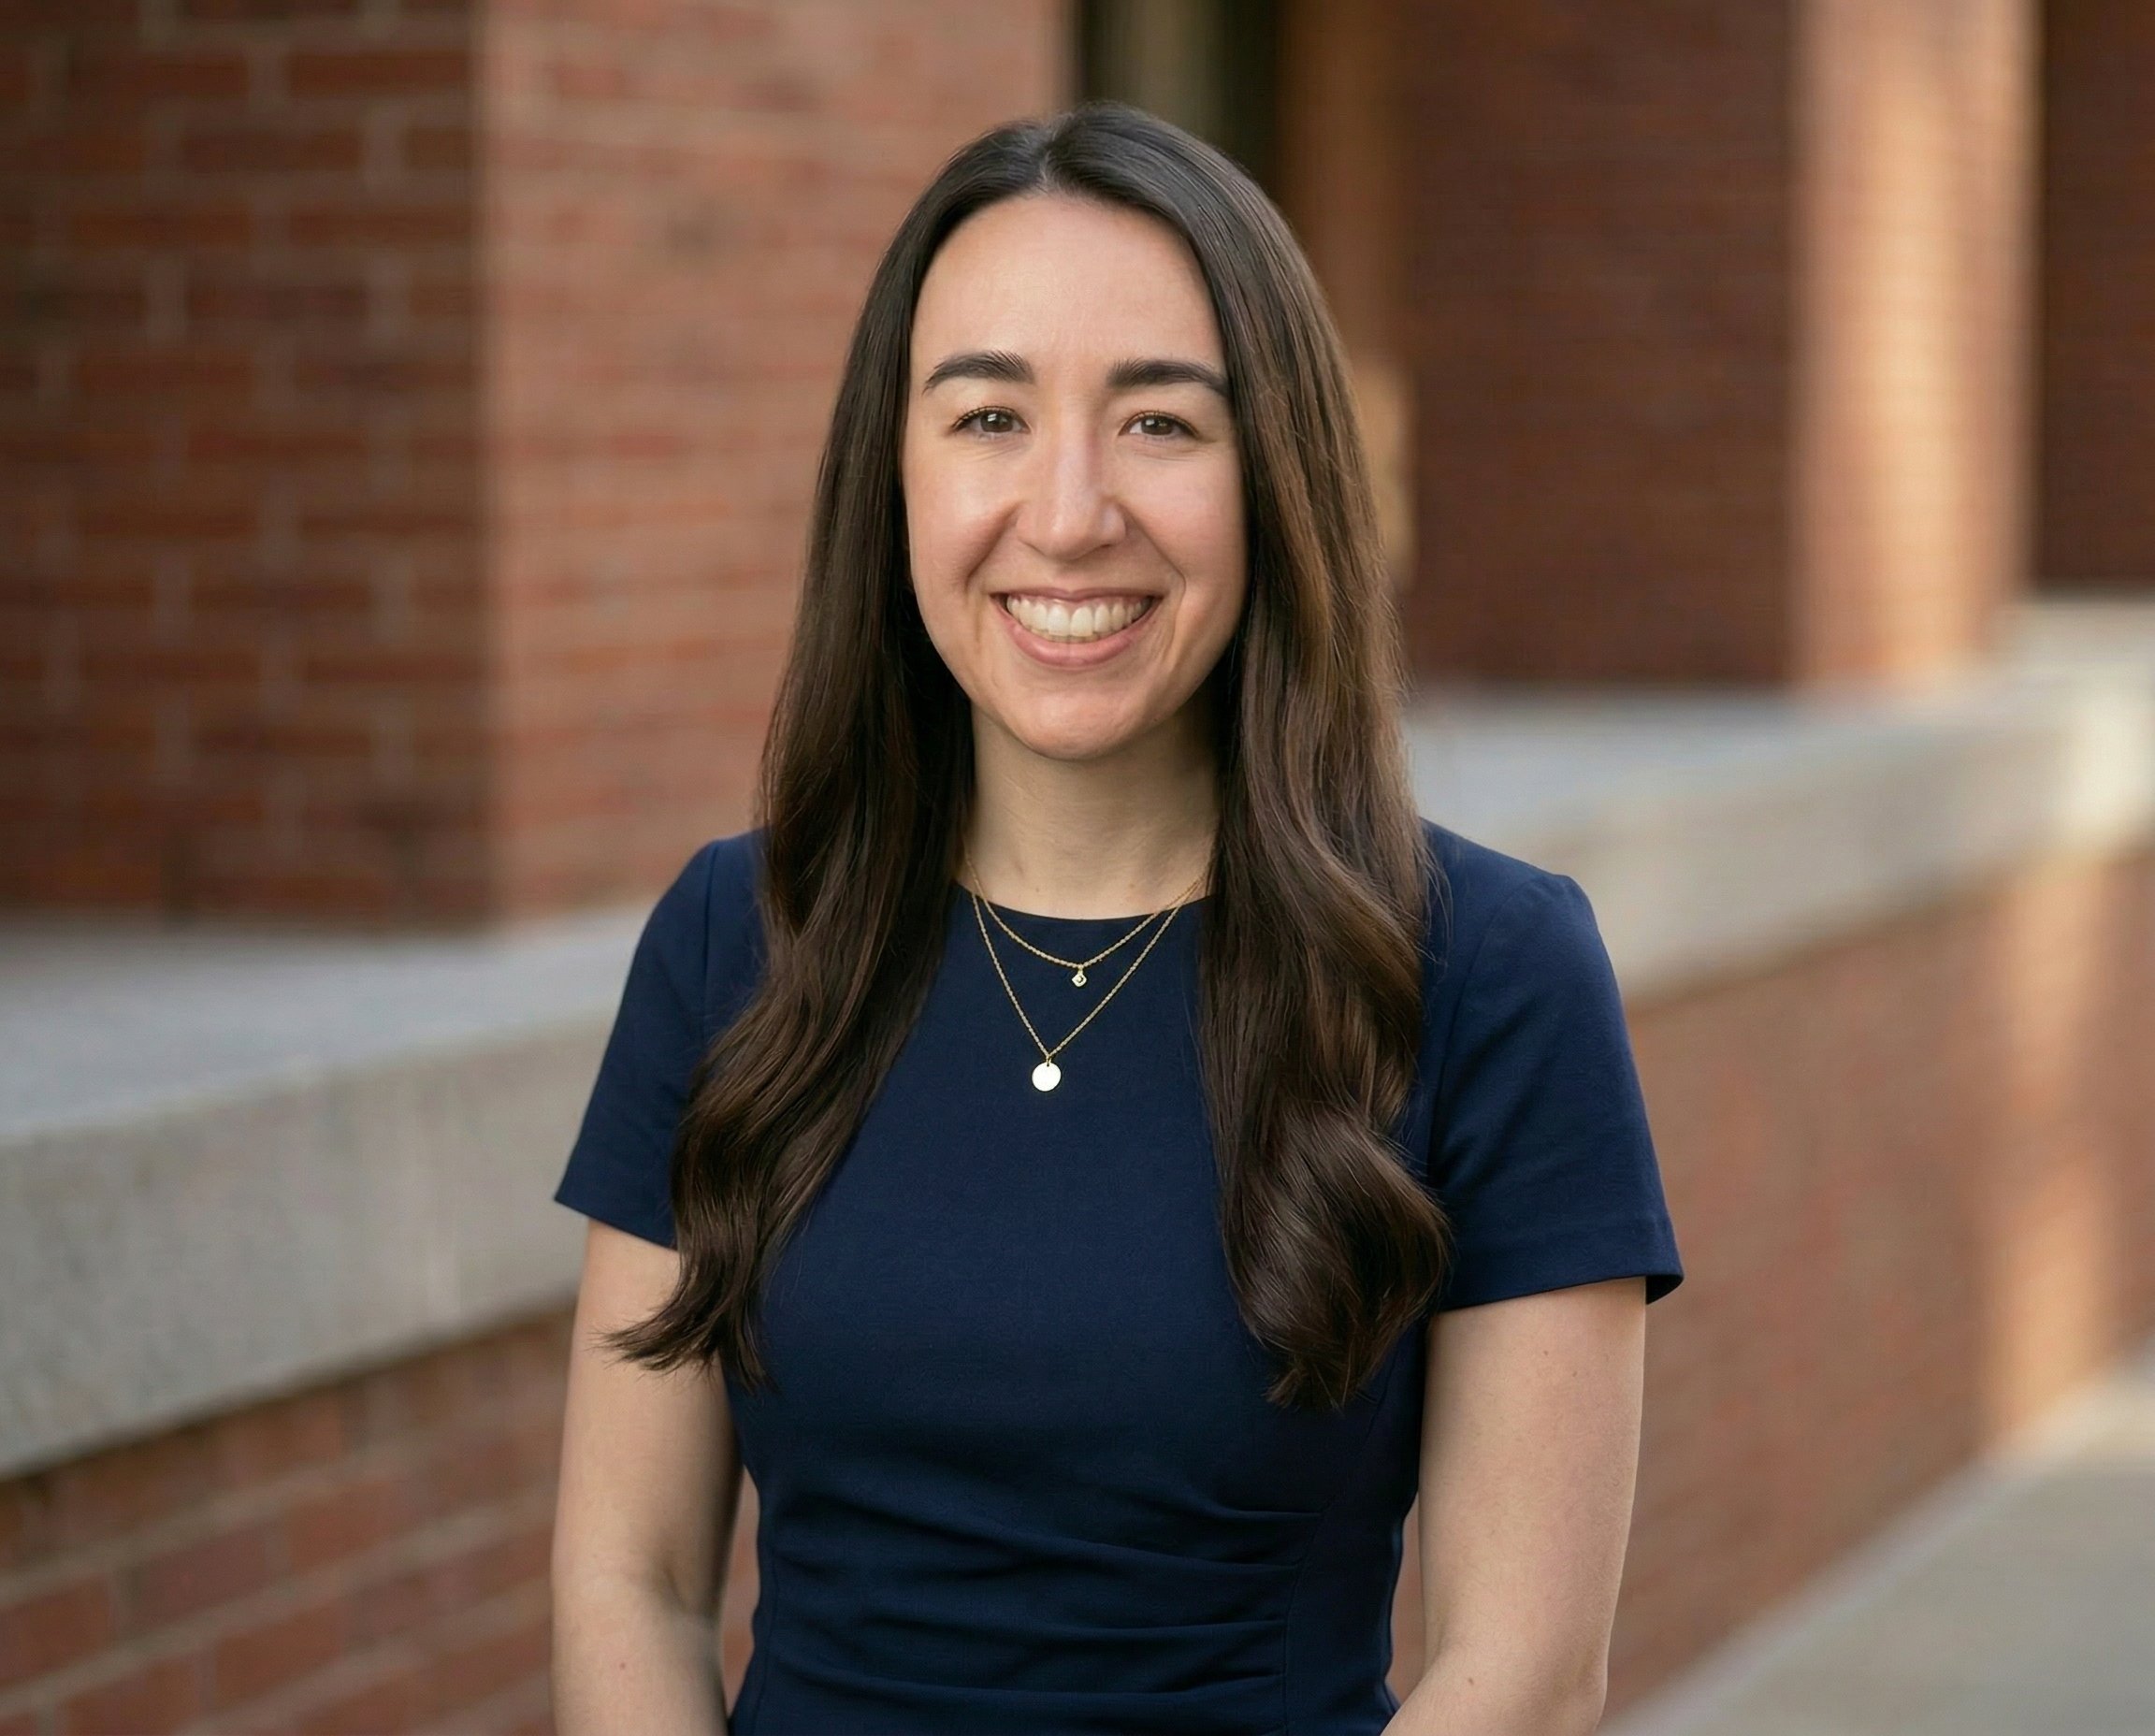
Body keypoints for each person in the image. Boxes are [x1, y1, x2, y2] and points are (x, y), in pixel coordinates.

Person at [548, 101, 1683, 1736]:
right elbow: (629, 1583)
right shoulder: (741, 939)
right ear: (897, 475)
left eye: (1160, 425)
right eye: (989, 416)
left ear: (1276, 473)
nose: (1068, 513)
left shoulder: (1487, 974)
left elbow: (1525, 1674)